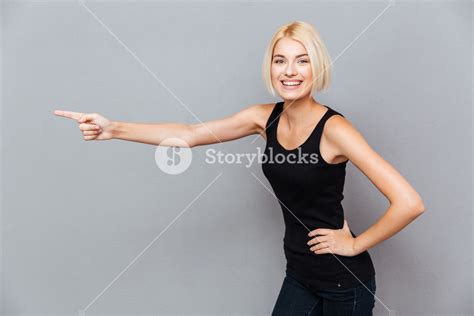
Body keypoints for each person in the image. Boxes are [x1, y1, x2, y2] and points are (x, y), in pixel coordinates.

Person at [54, 21, 425, 315]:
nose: (289, 71)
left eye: (302, 60)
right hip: (298, 273)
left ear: (317, 67)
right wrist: (114, 128)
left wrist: (356, 244)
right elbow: (189, 134)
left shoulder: (335, 130)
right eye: (280, 60)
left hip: (345, 283)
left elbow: (409, 202)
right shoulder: (263, 118)